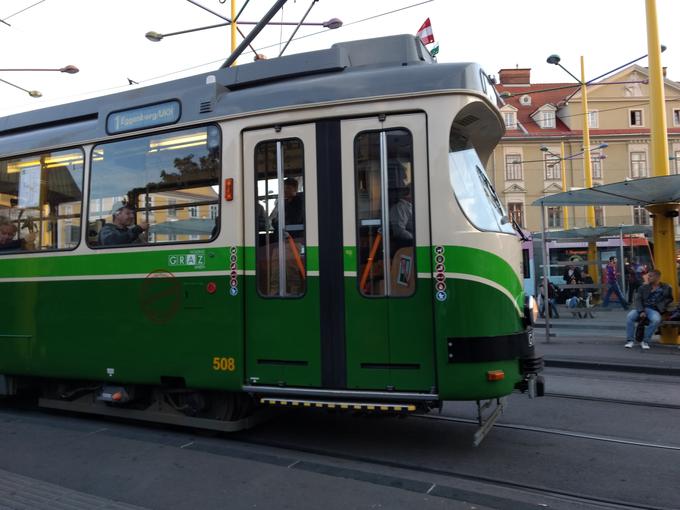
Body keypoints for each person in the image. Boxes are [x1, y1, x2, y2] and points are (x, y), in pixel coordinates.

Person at [624, 269, 673, 349]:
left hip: (654, 309)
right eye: (648, 276)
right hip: (642, 308)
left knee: (656, 319)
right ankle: (630, 341)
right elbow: (638, 299)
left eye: (650, 276)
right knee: (630, 316)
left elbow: (669, 298)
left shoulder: (666, 287)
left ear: (657, 277)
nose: (648, 278)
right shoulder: (643, 287)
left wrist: (661, 305)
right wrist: (641, 311)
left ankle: (645, 341)